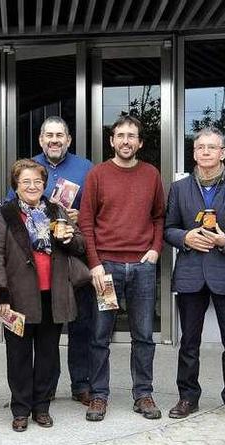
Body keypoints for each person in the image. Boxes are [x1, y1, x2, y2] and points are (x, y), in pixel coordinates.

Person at [164, 127, 225, 423]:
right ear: (194, 153)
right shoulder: (179, 189)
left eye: (212, 147)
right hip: (191, 274)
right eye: (200, 148)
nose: (205, 152)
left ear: (223, 153)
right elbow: (167, 228)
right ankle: (187, 397)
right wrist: (185, 237)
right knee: (189, 342)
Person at [79, 115, 166, 422]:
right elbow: (86, 223)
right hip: (108, 268)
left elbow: (159, 217)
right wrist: (95, 264)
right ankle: (99, 395)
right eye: (121, 136)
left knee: (143, 335)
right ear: (112, 141)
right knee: (100, 335)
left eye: (132, 136)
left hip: (142, 268)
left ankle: (143, 394)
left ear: (140, 142)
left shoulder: (151, 174)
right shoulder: (97, 175)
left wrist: (155, 250)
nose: (126, 141)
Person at [0, 159, 86, 432]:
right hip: (17, 297)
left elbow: (80, 245)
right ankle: (20, 409)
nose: (32, 186)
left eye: (37, 182)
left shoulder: (57, 211)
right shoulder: (5, 215)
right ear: (16, 186)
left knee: (47, 355)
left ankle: (41, 407)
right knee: (18, 356)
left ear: (44, 184)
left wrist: (68, 237)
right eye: (25, 182)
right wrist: (0, 297)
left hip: (52, 296)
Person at [8, 116, 96, 405]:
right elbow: (11, 211)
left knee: (80, 324)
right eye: (49, 135)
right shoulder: (28, 167)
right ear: (40, 140)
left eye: (60, 135)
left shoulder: (86, 168)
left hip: (71, 258)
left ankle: (80, 384)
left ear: (69, 139)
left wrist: (77, 218)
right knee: (41, 331)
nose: (54, 140)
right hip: (34, 267)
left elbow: (97, 210)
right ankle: (43, 391)